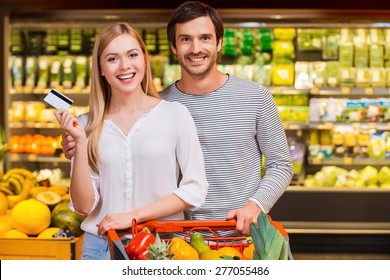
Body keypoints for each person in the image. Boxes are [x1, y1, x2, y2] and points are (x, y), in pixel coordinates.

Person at [62, 1, 293, 236]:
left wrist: (255, 205)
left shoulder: (255, 97)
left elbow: (281, 165)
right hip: (178, 239)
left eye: (205, 38)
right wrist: (80, 146)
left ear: (219, 42)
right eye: (185, 39)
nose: (196, 48)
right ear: (173, 46)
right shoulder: (159, 107)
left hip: (240, 233)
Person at [54, 22, 208, 260]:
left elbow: (195, 189)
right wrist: (81, 145)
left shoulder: (175, 114)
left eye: (132, 55)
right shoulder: (85, 124)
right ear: (101, 69)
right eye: (112, 59)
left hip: (160, 248)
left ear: (144, 60)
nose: (125, 66)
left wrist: (134, 215)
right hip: (100, 249)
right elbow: (84, 207)